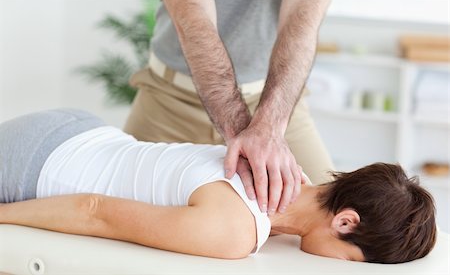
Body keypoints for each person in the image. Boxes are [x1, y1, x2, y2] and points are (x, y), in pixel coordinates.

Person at [0, 109, 437, 263]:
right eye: (355, 259)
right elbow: (92, 210)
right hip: (32, 165)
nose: (348, 266)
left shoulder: (287, 171)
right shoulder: (234, 232)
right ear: (346, 221)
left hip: (81, 129)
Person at [124, 0, 335, 216]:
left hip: (272, 105)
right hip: (169, 100)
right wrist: (246, 137)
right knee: (119, 208)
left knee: (329, 214)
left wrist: (268, 130)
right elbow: (192, 13)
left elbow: (303, 12)